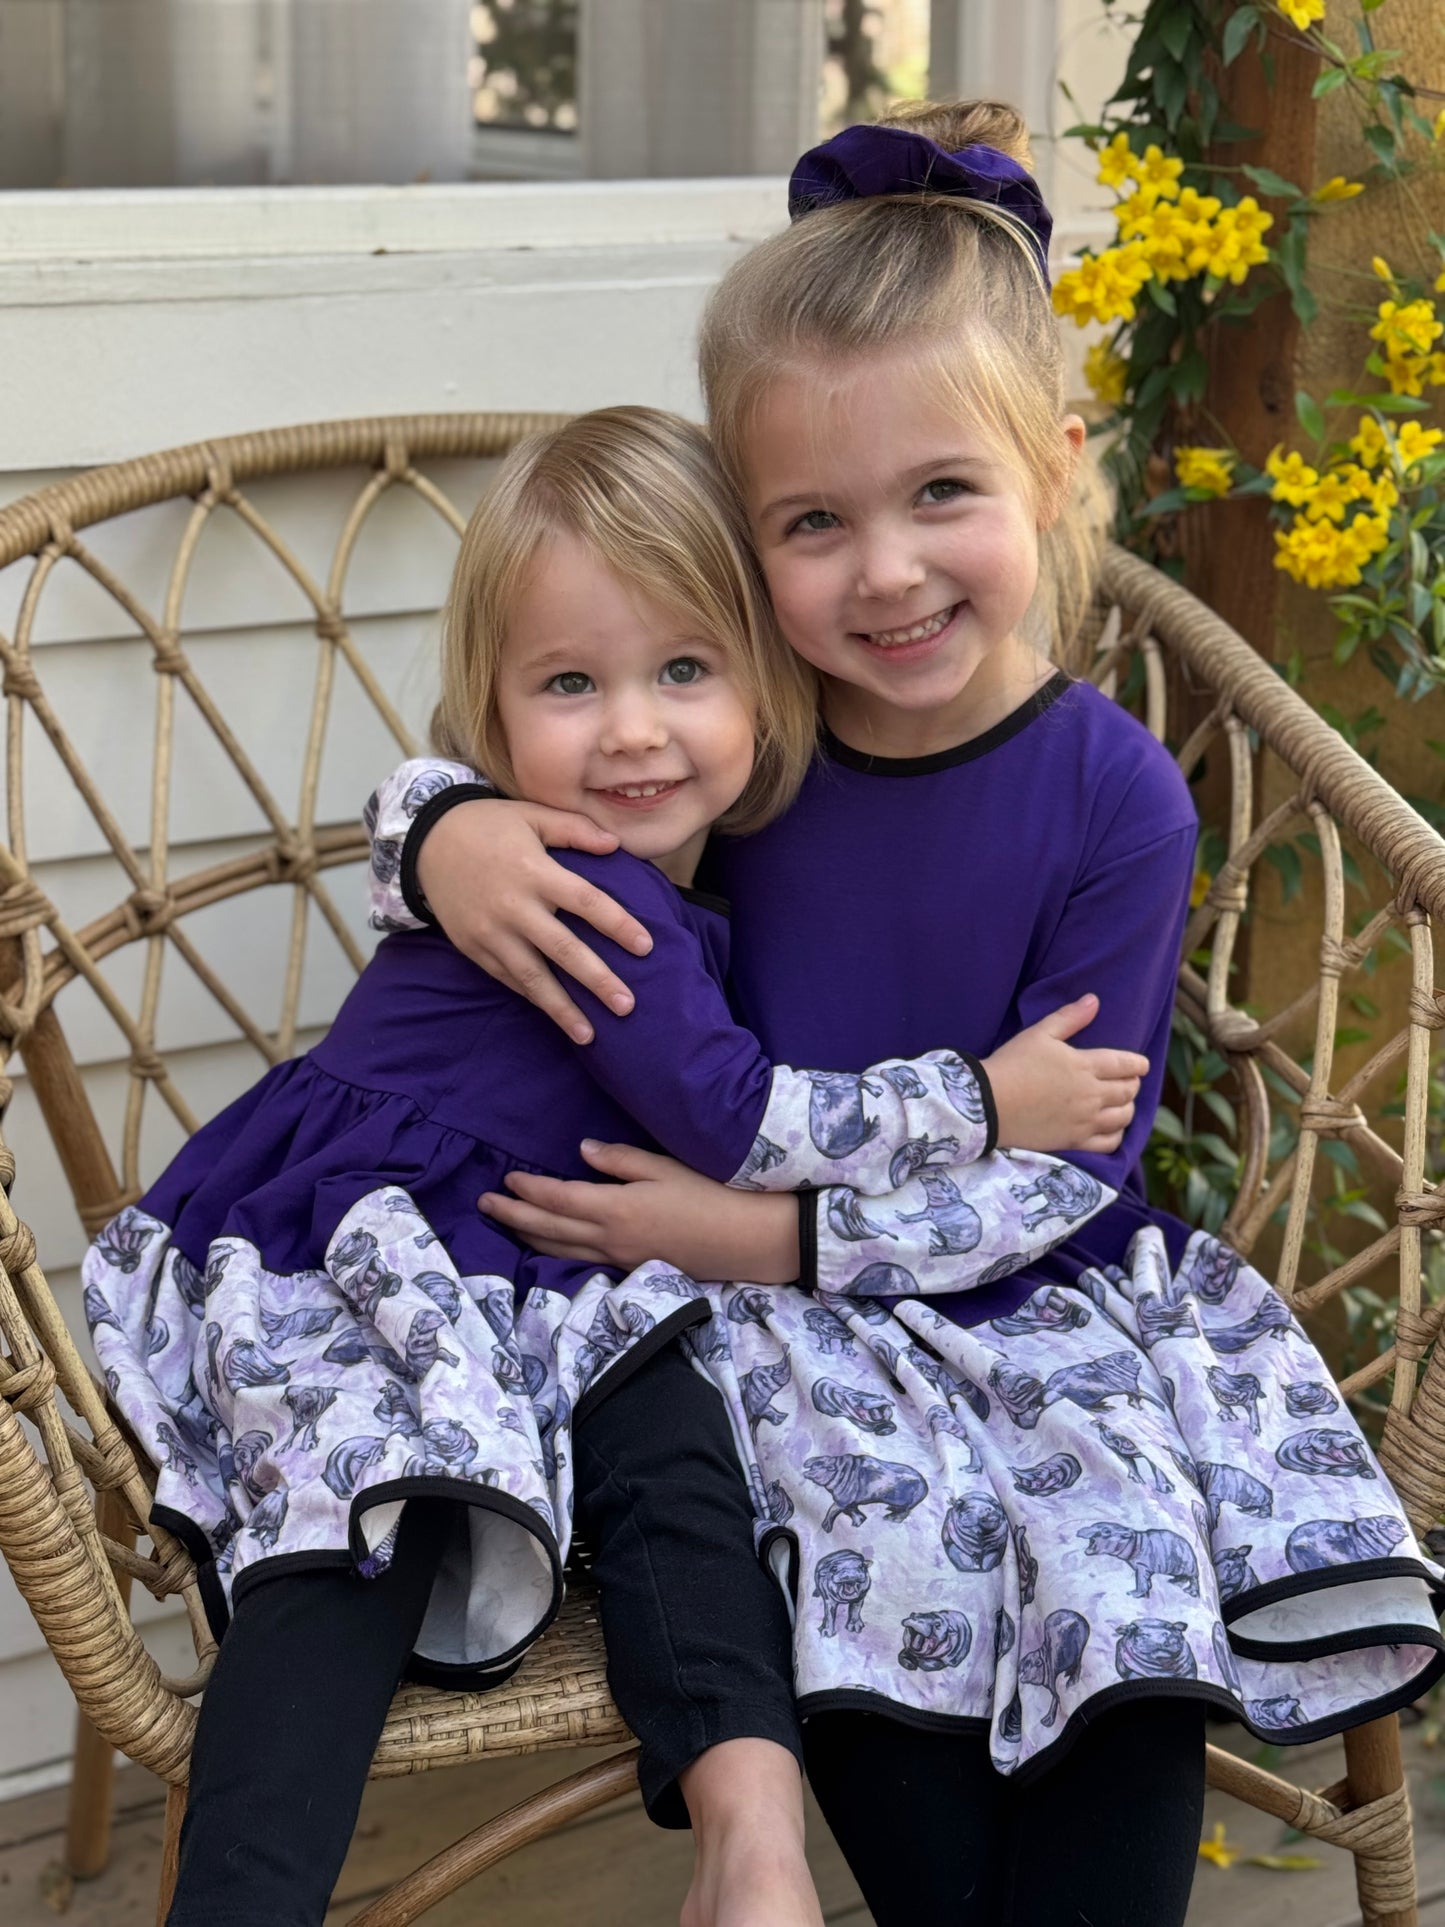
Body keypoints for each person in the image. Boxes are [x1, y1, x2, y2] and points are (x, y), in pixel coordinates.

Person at [362, 100, 1445, 1927]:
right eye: (812, 522)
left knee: (1112, 1602)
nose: (883, 571)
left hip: (1032, 1303)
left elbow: (1068, 1161)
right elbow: (527, 775)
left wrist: (761, 1227)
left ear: (1057, 469)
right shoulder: (741, 740)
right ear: (742, 543)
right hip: (784, 1355)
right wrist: (443, 828)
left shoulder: (1115, 796)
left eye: (942, 493)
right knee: (862, 1613)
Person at [83, 404, 1138, 1927]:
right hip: (367, 1262)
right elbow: (734, 1121)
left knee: (679, 1474)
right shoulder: (587, 888)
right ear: (491, 716)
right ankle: (255, 1898)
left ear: (763, 688)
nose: (633, 728)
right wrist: (983, 1097)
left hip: (549, 1279)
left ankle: (752, 1835)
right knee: (348, 1532)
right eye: (570, 685)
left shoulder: (622, 866)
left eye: (683, 672)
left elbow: (420, 823)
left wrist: (435, 815)